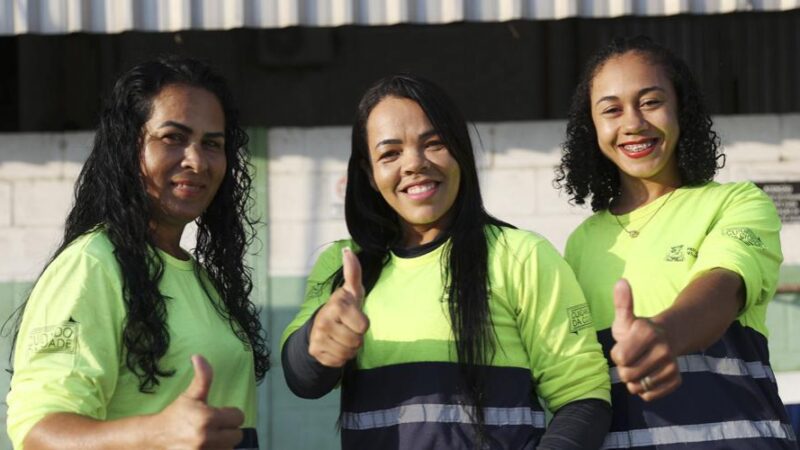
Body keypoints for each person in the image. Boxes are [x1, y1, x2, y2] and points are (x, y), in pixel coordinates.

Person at [281, 74, 612, 449]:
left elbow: (584, 398)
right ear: (369, 176)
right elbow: (303, 380)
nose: (414, 164)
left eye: (434, 144)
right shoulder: (342, 265)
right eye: (390, 153)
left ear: (460, 152)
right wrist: (318, 340)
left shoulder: (522, 256)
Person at [6, 56, 268, 449]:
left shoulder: (198, 278)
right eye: (173, 138)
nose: (196, 160)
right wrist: (156, 434)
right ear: (128, 149)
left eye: (212, 144)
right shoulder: (92, 265)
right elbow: (37, 433)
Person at [556, 36, 796, 449]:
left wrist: (664, 333)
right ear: (591, 128)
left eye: (650, 102)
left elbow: (721, 288)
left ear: (681, 109)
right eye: (612, 110)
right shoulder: (580, 244)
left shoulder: (736, 202)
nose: (632, 123)